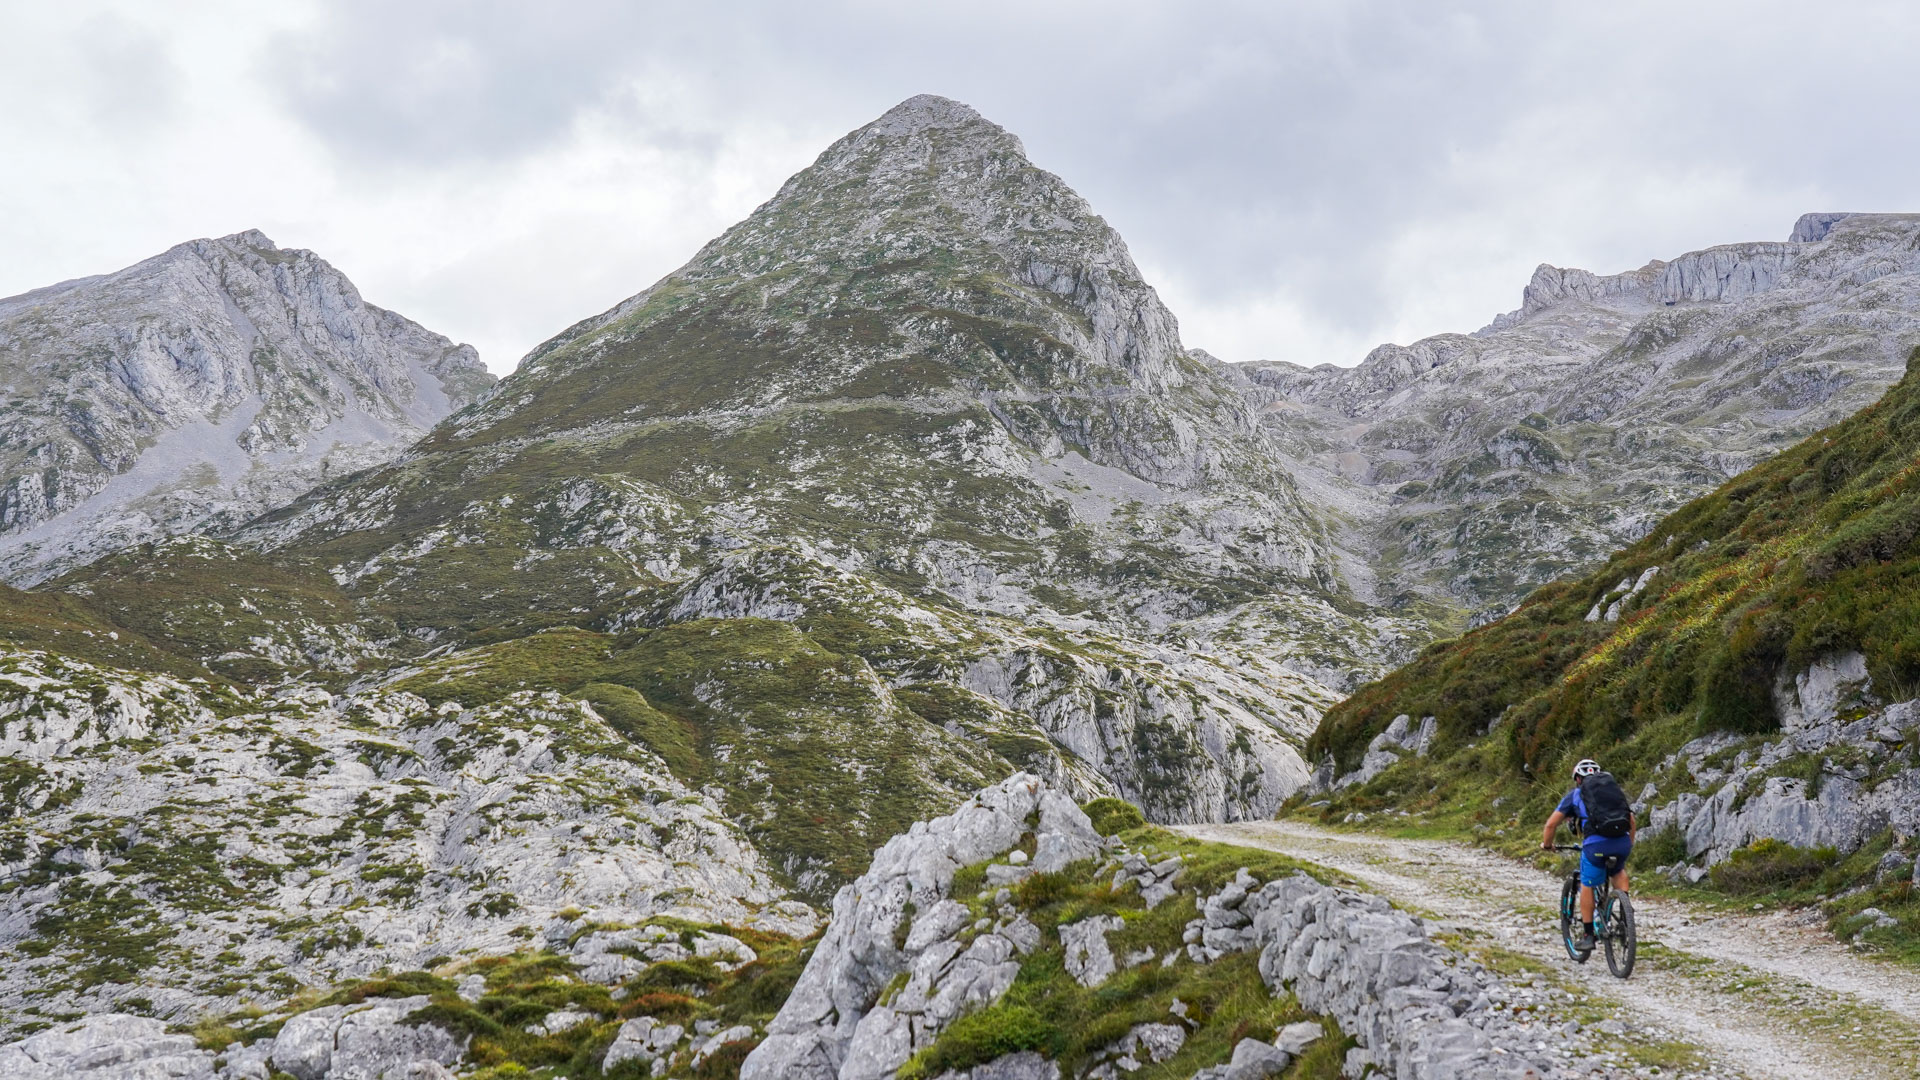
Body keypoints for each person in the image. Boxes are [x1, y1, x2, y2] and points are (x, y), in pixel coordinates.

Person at [1540, 758, 1635, 951]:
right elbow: (1631, 819)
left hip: (1595, 845)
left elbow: (1550, 825)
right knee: (1618, 870)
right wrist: (1628, 844)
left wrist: (1547, 845)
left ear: (1577, 779)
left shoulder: (1575, 795)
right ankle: (1626, 915)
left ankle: (1588, 935)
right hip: (1621, 842)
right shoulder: (1614, 792)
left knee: (1587, 884)